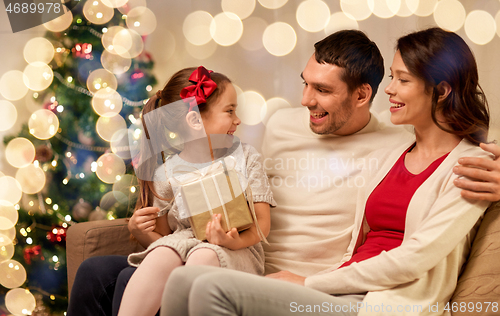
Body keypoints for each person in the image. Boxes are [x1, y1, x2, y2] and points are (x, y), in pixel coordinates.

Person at [67, 30, 500, 316]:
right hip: (252, 261)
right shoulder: (285, 125)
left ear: (363, 95)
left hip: (321, 283)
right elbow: (210, 155)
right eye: (305, 83)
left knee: (173, 280)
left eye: (323, 90)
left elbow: (462, 146)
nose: (305, 100)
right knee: (99, 273)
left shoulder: (395, 140)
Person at [67, 67, 275, 316]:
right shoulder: (167, 173)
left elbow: (262, 224)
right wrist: (141, 234)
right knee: (165, 253)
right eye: (230, 111)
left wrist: (233, 240)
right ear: (195, 120)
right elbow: (167, 239)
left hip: (236, 251)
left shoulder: (245, 157)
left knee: (201, 255)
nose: (238, 119)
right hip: (184, 246)